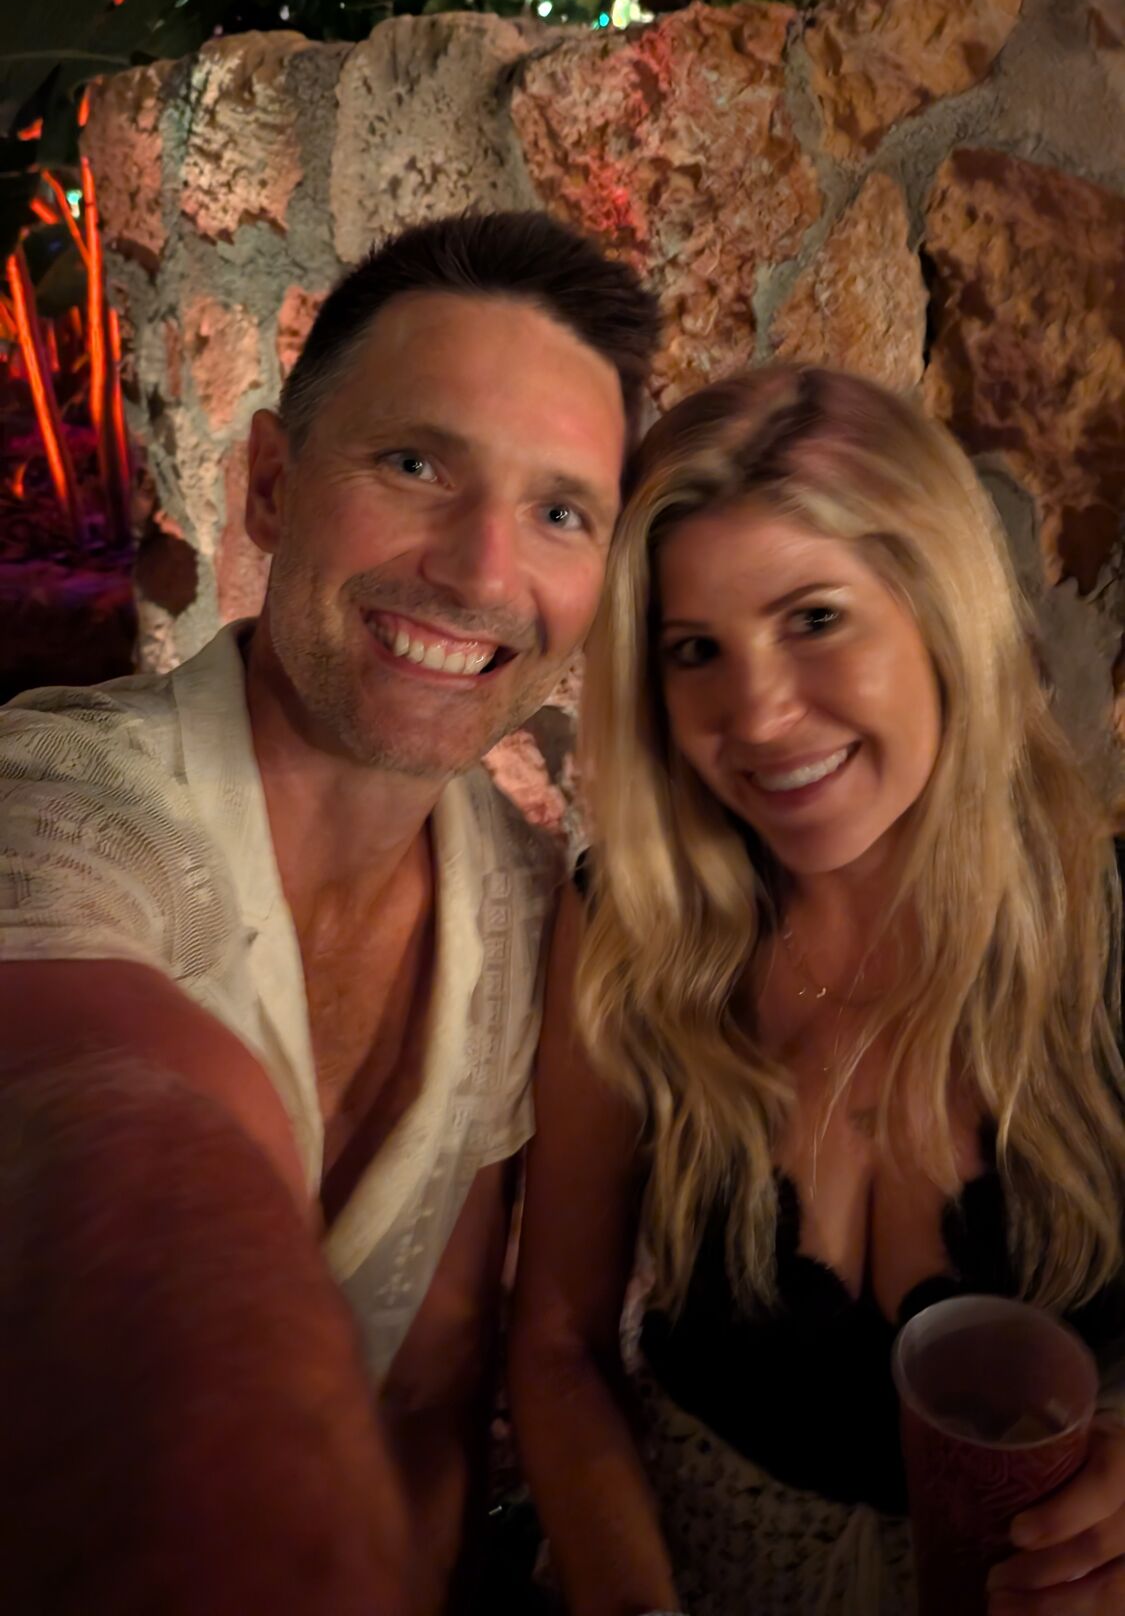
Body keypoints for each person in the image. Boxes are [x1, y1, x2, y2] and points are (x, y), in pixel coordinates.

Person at [0, 210, 660, 1616]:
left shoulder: (517, 904)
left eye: (560, 513)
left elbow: (424, 1396)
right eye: (416, 464)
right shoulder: (53, 804)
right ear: (270, 484)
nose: (481, 573)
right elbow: (105, 1099)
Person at [510, 365, 1125, 1616]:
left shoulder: (1109, 929)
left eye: (815, 618)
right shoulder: (630, 930)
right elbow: (560, 1343)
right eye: (695, 650)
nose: (758, 714)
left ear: (940, 613)